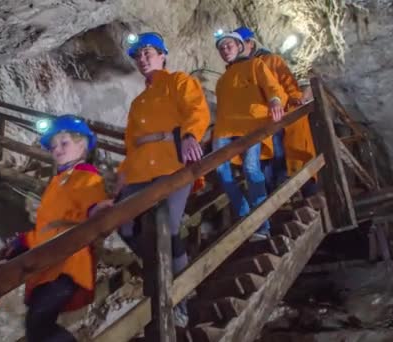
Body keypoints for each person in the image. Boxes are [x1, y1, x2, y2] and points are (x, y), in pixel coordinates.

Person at [115, 32, 210, 327]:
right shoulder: (138, 102)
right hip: (141, 170)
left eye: (148, 53)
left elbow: (197, 109)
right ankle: (166, 273)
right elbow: (131, 143)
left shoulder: (179, 81)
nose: (142, 59)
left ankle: (179, 297)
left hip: (171, 164)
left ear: (162, 55)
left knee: (166, 225)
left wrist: (191, 136)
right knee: (123, 223)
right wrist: (123, 174)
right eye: (138, 56)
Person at [0, 115, 112, 342]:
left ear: (83, 145)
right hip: (48, 264)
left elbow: (92, 205)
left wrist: (95, 211)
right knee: (36, 325)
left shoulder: (87, 177)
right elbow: (47, 227)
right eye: (53, 146)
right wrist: (23, 241)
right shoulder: (58, 182)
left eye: (64, 143)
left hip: (68, 263)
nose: (57, 150)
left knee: (38, 321)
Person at [213, 28, 288, 240]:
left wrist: (274, 101)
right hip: (225, 128)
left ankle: (261, 225)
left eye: (229, 45)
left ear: (239, 46)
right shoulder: (222, 80)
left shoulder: (256, 65)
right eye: (221, 47)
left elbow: (271, 86)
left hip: (252, 124)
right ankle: (247, 215)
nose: (225, 49)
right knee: (220, 171)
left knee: (251, 167)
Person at [236, 26, 317, 196]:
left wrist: (296, 98)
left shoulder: (271, 60)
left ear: (250, 43)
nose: (236, 48)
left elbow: (288, 83)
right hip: (259, 123)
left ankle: (298, 192)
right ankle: (275, 197)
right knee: (267, 161)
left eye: (239, 43)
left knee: (283, 155)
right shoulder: (239, 70)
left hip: (278, 116)